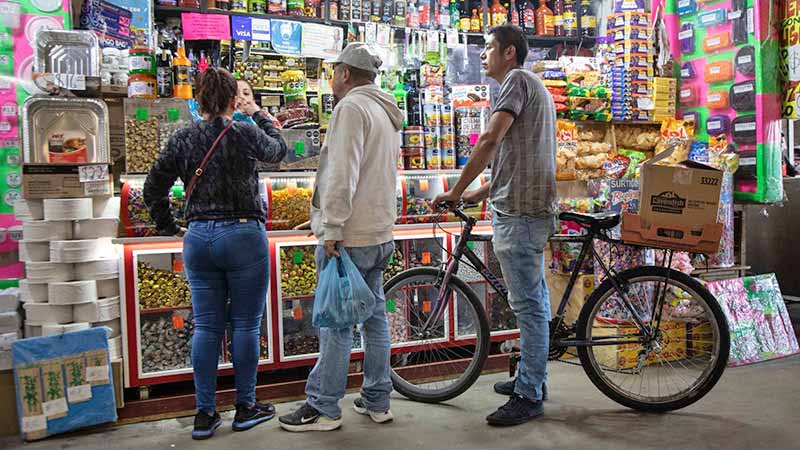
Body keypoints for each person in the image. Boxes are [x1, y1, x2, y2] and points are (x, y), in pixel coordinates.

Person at [143, 67, 288, 440]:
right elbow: (279, 151)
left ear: (198, 100)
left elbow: (152, 187)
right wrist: (256, 112)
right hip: (242, 235)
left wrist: (167, 225)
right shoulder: (243, 130)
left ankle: (205, 414)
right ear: (229, 100)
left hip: (199, 237)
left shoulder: (182, 138)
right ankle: (246, 406)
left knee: (207, 327)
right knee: (244, 325)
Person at [433, 24, 557, 427]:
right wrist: (476, 194)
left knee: (528, 308)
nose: (482, 55)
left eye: (488, 48)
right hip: (524, 206)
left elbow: (490, 140)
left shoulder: (516, 80)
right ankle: (532, 377)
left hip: (520, 213)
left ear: (509, 53)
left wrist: (455, 189)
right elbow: (516, 159)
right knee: (533, 302)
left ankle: (528, 395)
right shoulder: (530, 85)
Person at [278, 43, 404, 432]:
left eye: (334, 72)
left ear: (345, 74)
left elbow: (342, 174)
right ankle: (377, 400)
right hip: (380, 233)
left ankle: (324, 407)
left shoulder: (351, 108)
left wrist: (331, 228)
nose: (332, 79)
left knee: (336, 323)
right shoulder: (385, 111)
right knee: (373, 320)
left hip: (351, 238)